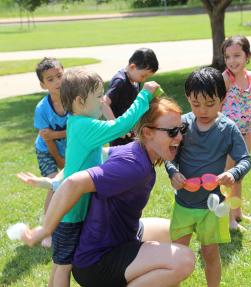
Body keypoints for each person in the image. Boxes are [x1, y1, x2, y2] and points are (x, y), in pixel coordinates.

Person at [21, 97, 196, 287]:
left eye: (181, 129)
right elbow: (73, 183)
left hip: (121, 238)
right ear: (147, 132)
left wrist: (51, 181)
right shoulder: (133, 166)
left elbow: (87, 157)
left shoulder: (136, 150)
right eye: (172, 132)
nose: (179, 137)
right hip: (98, 261)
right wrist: (45, 230)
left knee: (176, 230)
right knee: (184, 259)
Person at [23, 68, 159, 287]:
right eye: (98, 97)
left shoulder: (77, 123)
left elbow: (89, 159)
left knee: (60, 264)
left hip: (70, 209)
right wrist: (144, 96)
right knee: (63, 267)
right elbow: (121, 125)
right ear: (80, 101)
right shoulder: (85, 125)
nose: (103, 101)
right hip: (71, 214)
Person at [165, 67, 251, 287]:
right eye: (196, 104)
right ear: (188, 99)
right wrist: (173, 172)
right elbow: (169, 155)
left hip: (212, 208)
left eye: (210, 103)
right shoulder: (182, 125)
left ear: (222, 99)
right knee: (175, 256)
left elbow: (245, 159)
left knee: (210, 254)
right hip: (184, 204)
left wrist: (233, 173)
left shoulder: (228, 128)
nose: (202, 110)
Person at [221, 35, 251, 229]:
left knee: (239, 175)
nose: (231, 61)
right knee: (227, 177)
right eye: (227, 57)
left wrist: (247, 134)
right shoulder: (226, 79)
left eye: (236, 55)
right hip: (228, 136)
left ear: (247, 56)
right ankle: (227, 220)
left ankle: (237, 213)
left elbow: (247, 108)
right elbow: (217, 109)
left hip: (246, 134)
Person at [34, 57, 67, 247]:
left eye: (59, 76)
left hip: (69, 149)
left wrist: (56, 133)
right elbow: (47, 139)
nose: (57, 82)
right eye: (50, 79)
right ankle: (47, 231)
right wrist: (59, 159)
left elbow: (77, 129)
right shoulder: (42, 109)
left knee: (71, 184)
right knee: (54, 184)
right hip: (46, 151)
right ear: (42, 84)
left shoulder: (74, 100)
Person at [103, 47, 159, 146]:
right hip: (120, 138)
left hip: (131, 134)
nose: (144, 79)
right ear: (132, 67)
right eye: (143, 76)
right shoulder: (120, 81)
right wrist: (117, 128)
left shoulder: (134, 80)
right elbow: (103, 103)